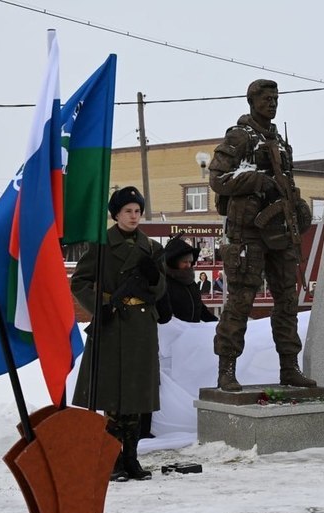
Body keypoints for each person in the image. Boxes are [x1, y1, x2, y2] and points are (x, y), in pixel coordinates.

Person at [208, 78, 315, 391]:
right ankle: (226, 370)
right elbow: (218, 179)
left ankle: (289, 367)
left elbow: (286, 180)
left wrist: (296, 204)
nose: (272, 103)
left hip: (279, 232)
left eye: (276, 98)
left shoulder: (280, 142)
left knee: (286, 301)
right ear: (251, 101)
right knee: (240, 301)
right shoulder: (240, 137)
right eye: (266, 98)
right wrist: (255, 181)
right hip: (247, 234)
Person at [71, 186, 166, 481]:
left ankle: (131, 459)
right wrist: (101, 306)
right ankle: (112, 461)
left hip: (140, 328)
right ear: (116, 214)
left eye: (138, 211)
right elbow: (80, 282)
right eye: (128, 211)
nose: (134, 216)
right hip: (113, 325)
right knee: (114, 397)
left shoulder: (150, 248)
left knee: (136, 398)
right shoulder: (101, 246)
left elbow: (160, 291)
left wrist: (153, 279)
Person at [160, 235, 219, 323]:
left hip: (192, 331)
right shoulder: (165, 283)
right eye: (184, 262)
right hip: (174, 333)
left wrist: (215, 322)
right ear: (174, 262)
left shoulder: (190, 282)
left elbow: (199, 307)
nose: (188, 265)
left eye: (190, 262)